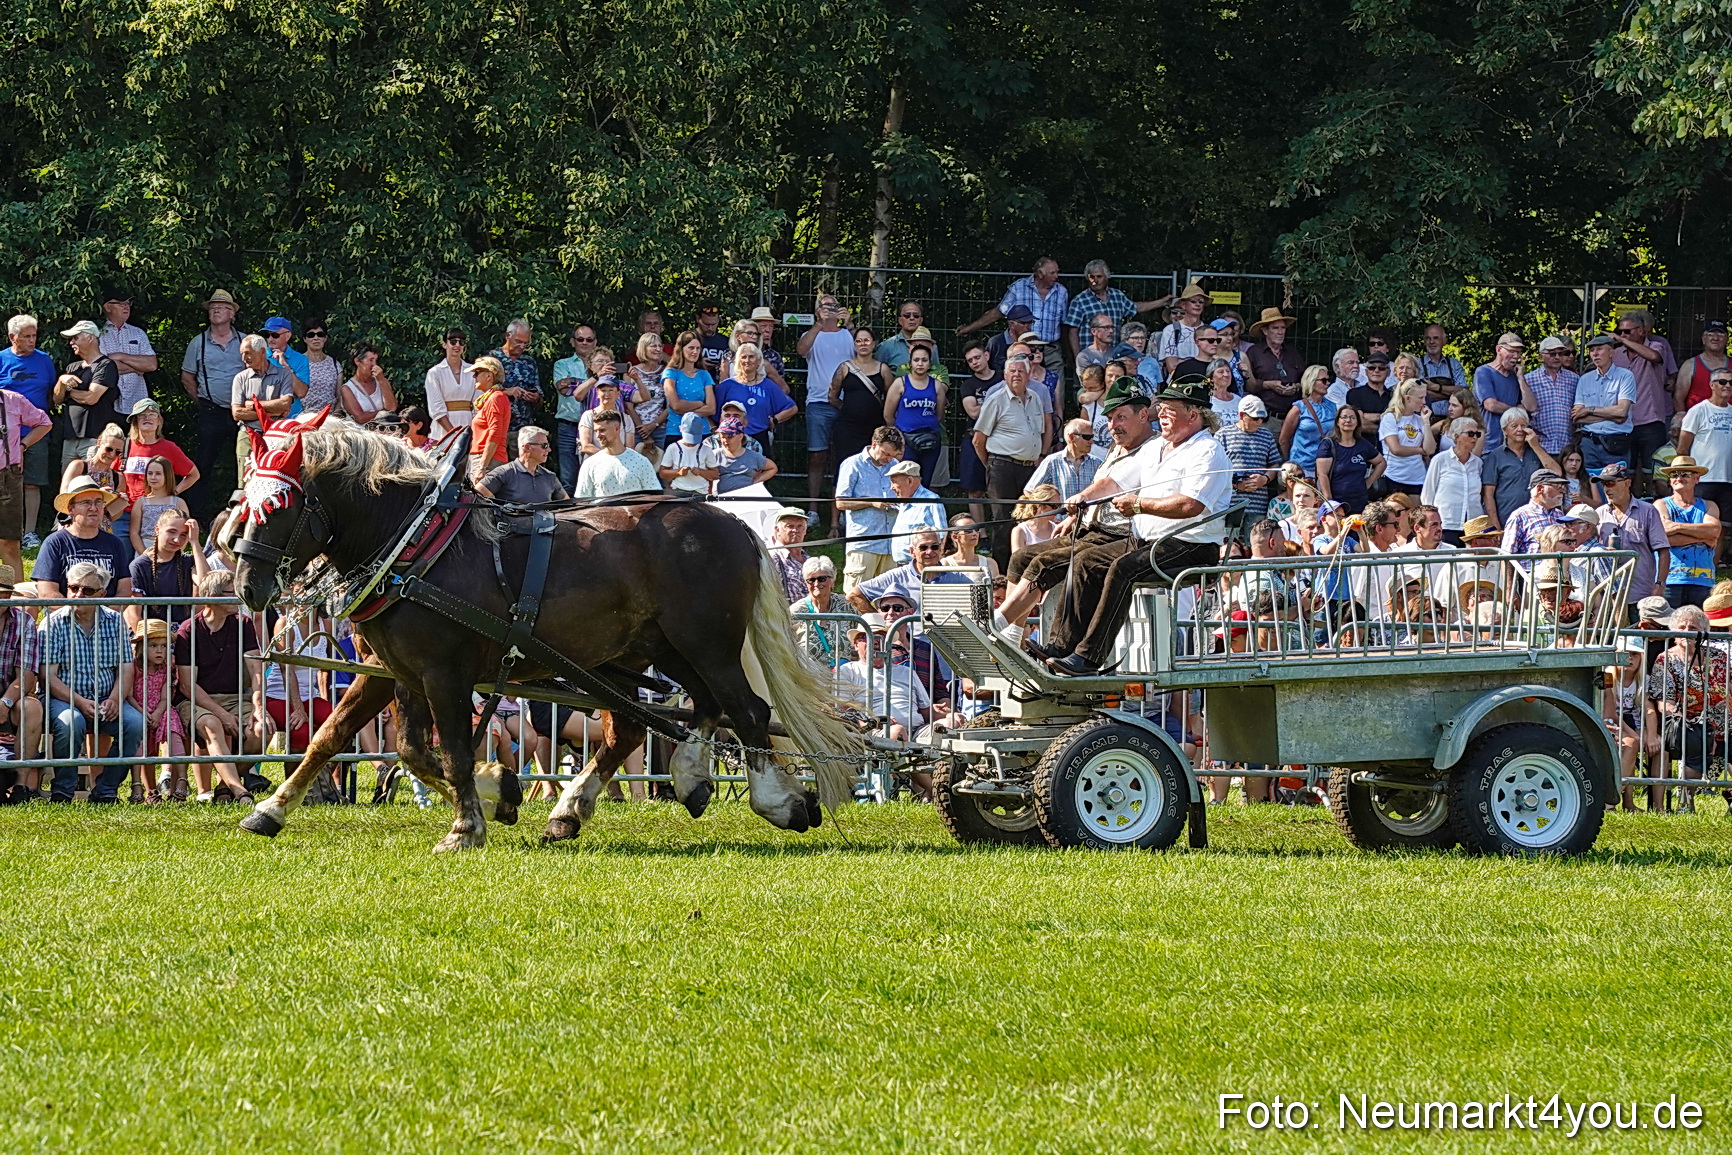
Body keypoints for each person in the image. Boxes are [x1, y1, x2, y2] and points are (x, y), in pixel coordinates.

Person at [1046, 377, 1233, 676]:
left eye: (1169, 409)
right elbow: (1115, 481)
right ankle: (1060, 647)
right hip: (1147, 542)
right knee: (1086, 561)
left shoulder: (1207, 451)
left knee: (1124, 568)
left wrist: (1139, 505)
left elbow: (1190, 506)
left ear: (1193, 415)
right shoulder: (1156, 446)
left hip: (1191, 545)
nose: (1161, 414)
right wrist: (1084, 497)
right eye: (1162, 407)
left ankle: (1088, 659)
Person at [41, 562, 142, 803]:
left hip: (106, 698)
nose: (78, 595)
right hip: (63, 699)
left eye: (87, 591)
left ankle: (106, 790)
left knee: (135, 724)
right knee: (71, 721)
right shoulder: (52, 623)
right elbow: (47, 676)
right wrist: (79, 701)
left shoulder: (115, 621)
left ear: (102, 594)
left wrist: (115, 698)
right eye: (73, 588)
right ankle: (63, 791)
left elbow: (126, 667)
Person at [175, 568, 265, 803]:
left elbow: (256, 669)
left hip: (236, 697)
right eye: (231, 592)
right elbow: (187, 686)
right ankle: (240, 792)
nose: (238, 597)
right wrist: (223, 714)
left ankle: (224, 787)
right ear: (212, 597)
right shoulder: (188, 629)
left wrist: (258, 707)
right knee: (213, 724)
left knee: (261, 729)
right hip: (196, 700)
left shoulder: (243, 623)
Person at [973, 352, 1051, 572]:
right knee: (1002, 522)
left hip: (1029, 469)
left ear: (1029, 374)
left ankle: (1025, 569)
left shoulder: (1035, 398)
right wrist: (992, 465)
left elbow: (1040, 431)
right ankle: (1002, 574)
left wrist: (1039, 455)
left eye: (1021, 371)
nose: (1016, 375)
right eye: (1012, 371)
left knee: (1028, 518)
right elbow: (978, 440)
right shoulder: (996, 399)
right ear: (1005, 375)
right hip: (1002, 467)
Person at [179, 290, 247, 518]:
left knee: (245, 463)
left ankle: (245, 513)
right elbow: (187, 377)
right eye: (212, 307)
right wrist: (202, 401)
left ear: (232, 313)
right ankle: (196, 516)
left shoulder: (245, 341)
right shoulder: (198, 343)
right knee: (203, 465)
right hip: (211, 411)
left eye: (221, 307)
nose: (215, 310)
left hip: (242, 413)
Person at [957, 256, 1069, 376]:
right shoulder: (1019, 287)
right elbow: (999, 311)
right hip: (1023, 348)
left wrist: (1068, 352)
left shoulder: (1061, 292)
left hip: (1050, 349)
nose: (1056, 276)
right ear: (1040, 274)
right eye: (1053, 273)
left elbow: (1064, 324)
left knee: (1056, 384)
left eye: (1057, 272)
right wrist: (969, 328)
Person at [3, 314, 59, 545]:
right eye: (26, 336)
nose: (32, 340)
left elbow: (52, 393)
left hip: (36, 431)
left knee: (32, 482)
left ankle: (30, 532)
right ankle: (6, 532)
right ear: (12, 337)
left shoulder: (44, 360)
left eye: (34, 335)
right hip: (4, 434)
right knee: (3, 481)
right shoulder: (2, 359)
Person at [1612, 309, 1678, 494]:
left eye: (1627, 331)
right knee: (1627, 473)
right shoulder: (1616, 354)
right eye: (1620, 332)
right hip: (1624, 421)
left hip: (1650, 420)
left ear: (1641, 331)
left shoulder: (1657, 346)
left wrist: (1623, 341)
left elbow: (1654, 357)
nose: (1622, 335)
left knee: (1652, 474)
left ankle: (1653, 506)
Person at [33, 477, 133, 597]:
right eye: (86, 503)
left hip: (106, 609)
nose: (94, 508)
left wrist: (106, 609)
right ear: (71, 509)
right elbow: (47, 592)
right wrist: (72, 608)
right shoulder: (55, 543)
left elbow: (125, 590)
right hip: (66, 608)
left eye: (98, 502)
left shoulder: (115, 543)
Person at [1594, 461, 1669, 617]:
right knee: (1608, 634)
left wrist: (1660, 585)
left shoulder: (1648, 511)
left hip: (1641, 594)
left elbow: (1663, 550)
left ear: (1627, 483)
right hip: (1608, 595)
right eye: (1603, 484)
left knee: (1642, 633)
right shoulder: (1598, 514)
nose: (1606, 489)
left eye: (1611, 483)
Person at [835, 426, 904, 592]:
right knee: (856, 596)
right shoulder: (853, 464)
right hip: (863, 542)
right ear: (874, 444)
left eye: (893, 455)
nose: (889, 459)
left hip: (891, 543)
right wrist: (871, 502)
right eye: (886, 453)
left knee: (889, 598)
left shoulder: (895, 465)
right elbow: (841, 503)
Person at [1675, 366, 1732, 564]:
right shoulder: (1698, 411)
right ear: (1712, 385)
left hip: (1728, 479)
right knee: (1697, 523)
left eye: (1731, 382)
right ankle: (1691, 564)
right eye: (1722, 382)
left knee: (1721, 527)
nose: (1727, 386)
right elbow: (1682, 448)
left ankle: (1711, 568)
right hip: (1703, 478)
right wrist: (1689, 476)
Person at [130, 618, 188, 804]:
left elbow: (165, 697)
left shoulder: (166, 669)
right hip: (139, 709)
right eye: (153, 646)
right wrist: (142, 712)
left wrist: (157, 713)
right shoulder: (133, 668)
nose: (160, 651)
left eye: (164, 646)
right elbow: (129, 695)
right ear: (141, 647)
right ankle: (143, 788)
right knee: (142, 746)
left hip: (161, 710)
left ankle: (182, 780)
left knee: (174, 733)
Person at [0, 374, 51, 579]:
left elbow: (44, 423)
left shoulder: (13, 400)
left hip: (7, 479)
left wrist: (22, 446)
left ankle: (13, 597)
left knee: (9, 544)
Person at [229, 334, 302, 475]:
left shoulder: (284, 374)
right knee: (245, 481)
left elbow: (285, 404)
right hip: (248, 436)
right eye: (242, 353)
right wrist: (274, 411)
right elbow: (237, 413)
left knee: (276, 477)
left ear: (262, 352)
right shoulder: (240, 378)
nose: (243, 358)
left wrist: (253, 405)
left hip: (276, 436)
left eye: (248, 353)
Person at [1653, 456, 1719, 608]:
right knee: (1669, 622)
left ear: (1697, 478)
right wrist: (1703, 537)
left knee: (1699, 623)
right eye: (1674, 474)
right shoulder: (1660, 504)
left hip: (1703, 581)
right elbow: (1662, 537)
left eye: (1685, 474)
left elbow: (1714, 530)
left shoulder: (1709, 505)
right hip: (1669, 580)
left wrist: (1675, 527)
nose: (1679, 478)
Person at [1572, 333, 1639, 483]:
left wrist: (1589, 410)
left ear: (1611, 352)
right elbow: (1577, 417)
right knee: (1588, 485)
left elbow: (1622, 412)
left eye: (1599, 349)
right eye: (1592, 350)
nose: (1595, 354)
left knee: (1616, 485)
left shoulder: (1625, 376)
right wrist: (1612, 414)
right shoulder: (1584, 380)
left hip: (1616, 443)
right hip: (1589, 443)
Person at [1479, 408, 1561, 528]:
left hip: (1535, 520)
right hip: (1506, 520)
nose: (1520, 430)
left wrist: (1535, 445)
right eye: (1514, 426)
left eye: (1523, 426)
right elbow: (1488, 495)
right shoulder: (1495, 456)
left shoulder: (1536, 452)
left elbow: (1557, 473)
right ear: (1505, 431)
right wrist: (1496, 526)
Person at [57, 320, 122, 468]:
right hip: (70, 438)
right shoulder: (72, 367)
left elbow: (91, 398)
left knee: (92, 479)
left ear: (91, 337)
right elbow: (57, 399)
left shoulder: (106, 365)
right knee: (68, 481)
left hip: (94, 439)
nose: (71, 342)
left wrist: (68, 392)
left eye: (76, 338)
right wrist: (61, 381)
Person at [954, 341, 1000, 522]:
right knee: (974, 490)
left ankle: (1002, 531)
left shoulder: (1003, 378)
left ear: (986, 356)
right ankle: (980, 533)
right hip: (974, 439)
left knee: (1001, 489)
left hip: (1002, 438)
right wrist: (997, 402)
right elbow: (972, 412)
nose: (974, 362)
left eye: (977, 357)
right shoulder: (968, 385)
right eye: (970, 360)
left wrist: (984, 405)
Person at [1421, 417, 1486, 543]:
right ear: (1457, 437)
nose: (1475, 438)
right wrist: (1431, 522)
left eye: (1477, 434)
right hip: (1446, 524)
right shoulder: (1440, 460)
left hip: (1474, 526)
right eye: (1470, 434)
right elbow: (1427, 495)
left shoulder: (1478, 463)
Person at [1472, 333, 1537, 454]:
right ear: (1498, 350)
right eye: (1512, 351)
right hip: (1489, 444)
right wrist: (1517, 411)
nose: (1516, 356)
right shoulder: (1483, 372)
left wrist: (1520, 378)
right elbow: (1491, 405)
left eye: (1518, 352)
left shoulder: (1516, 376)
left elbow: (1532, 407)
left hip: (1514, 446)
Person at [573, 410, 661, 499]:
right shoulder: (590, 464)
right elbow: (582, 500)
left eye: (602, 430)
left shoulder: (641, 461)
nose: (598, 436)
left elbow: (655, 497)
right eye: (596, 431)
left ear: (617, 429)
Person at [98, 289, 158, 417]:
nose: (126, 307)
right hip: (108, 402)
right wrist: (138, 368)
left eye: (128, 303)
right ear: (108, 307)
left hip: (136, 403)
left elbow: (152, 365)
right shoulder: (98, 333)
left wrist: (120, 356)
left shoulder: (138, 333)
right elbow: (102, 367)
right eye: (121, 303)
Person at [1316, 405, 1385, 516]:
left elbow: (1381, 462)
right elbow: (1322, 474)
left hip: (1359, 503)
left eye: (1352, 417)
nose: (1348, 420)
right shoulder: (1328, 445)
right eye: (1344, 417)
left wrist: (1368, 482)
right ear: (1337, 422)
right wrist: (1329, 502)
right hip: (1337, 504)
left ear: (1357, 423)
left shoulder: (1363, 445)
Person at [477, 426, 568, 504]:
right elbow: (477, 494)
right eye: (544, 445)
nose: (549, 450)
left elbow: (568, 506)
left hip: (545, 520)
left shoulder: (550, 477)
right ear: (527, 447)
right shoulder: (503, 473)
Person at [1377, 378, 1435, 497]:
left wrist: (1426, 422)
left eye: (1425, 397)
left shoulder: (1419, 420)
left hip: (1417, 477)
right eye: (1420, 398)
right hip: (1394, 476)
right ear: (1407, 398)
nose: (1424, 402)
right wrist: (1420, 450)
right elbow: (1396, 449)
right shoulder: (1390, 418)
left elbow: (1430, 450)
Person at [1245, 307, 1306, 420]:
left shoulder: (1292, 352)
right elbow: (1248, 384)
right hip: (1266, 417)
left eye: (1283, 328)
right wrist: (1268, 385)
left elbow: (1306, 379)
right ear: (1265, 331)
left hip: (1294, 416)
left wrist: (1296, 387)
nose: (1280, 332)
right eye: (1275, 328)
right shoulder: (1254, 352)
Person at [792, 556, 853, 667]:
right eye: (811, 580)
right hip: (810, 673)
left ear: (832, 582)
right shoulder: (796, 611)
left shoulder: (846, 606)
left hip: (844, 673)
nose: (816, 584)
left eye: (822, 579)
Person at [128, 457, 192, 560]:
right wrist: (144, 554)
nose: (153, 477)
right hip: (147, 547)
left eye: (158, 474)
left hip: (173, 547)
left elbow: (186, 532)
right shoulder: (141, 503)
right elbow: (134, 533)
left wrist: (177, 551)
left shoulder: (179, 503)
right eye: (150, 473)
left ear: (167, 476)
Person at [487, 319, 543, 434]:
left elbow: (540, 400)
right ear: (507, 336)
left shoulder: (529, 362)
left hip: (524, 430)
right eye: (518, 341)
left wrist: (535, 398)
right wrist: (506, 392)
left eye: (526, 343)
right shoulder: (492, 359)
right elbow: (481, 393)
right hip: (497, 426)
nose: (522, 346)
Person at [1524, 336, 1578, 455]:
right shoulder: (1529, 380)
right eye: (1552, 354)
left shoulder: (1574, 379)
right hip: (1540, 447)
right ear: (1540, 357)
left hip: (1567, 447)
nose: (1557, 357)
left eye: (1560, 353)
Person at [1499, 469, 1570, 560]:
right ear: (1540, 489)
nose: (1563, 491)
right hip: (1531, 569)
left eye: (1563, 487)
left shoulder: (1559, 515)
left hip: (1559, 568)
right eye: (1558, 487)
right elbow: (1507, 555)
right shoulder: (1519, 516)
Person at [1278, 366, 1336, 476]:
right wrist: (1290, 462)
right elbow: (1283, 440)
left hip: (1326, 466)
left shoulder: (1332, 407)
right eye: (1324, 380)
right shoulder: (1299, 408)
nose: (1328, 383)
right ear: (1311, 381)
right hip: (1301, 467)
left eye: (1329, 380)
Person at [1029, 419, 1104, 503]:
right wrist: (1047, 508)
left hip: (1088, 512)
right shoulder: (1052, 462)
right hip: (1061, 511)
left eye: (1092, 437)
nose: (1091, 441)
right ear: (1071, 437)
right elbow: (1030, 491)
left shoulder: (1097, 463)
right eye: (1087, 437)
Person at [885, 459, 944, 563]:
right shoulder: (904, 502)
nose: (891, 488)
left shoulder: (930, 501)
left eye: (894, 482)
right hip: (901, 565)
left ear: (910, 481)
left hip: (921, 566)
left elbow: (942, 535)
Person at [424, 328, 476, 438]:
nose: (457, 345)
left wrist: (472, 432)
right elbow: (436, 409)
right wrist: (454, 434)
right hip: (442, 429)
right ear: (444, 344)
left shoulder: (473, 371)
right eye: (453, 342)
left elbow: (478, 404)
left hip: (469, 426)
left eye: (461, 342)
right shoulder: (435, 373)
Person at [626, 332, 669, 459]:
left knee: (660, 467)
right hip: (637, 428)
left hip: (660, 428)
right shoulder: (631, 372)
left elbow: (671, 404)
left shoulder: (667, 372)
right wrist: (643, 431)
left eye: (660, 346)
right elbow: (628, 406)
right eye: (653, 346)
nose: (658, 349)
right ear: (643, 348)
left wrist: (654, 425)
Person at [467, 356, 512, 478]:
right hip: (486, 459)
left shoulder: (496, 398)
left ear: (489, 376)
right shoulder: (490, 398)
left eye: (477, 372)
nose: (474, 376)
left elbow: (495, 433)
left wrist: (482, 467)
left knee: (481, 491)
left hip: (489, 461)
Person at [1152, 281, 1209, 375]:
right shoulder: (1170, 330)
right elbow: (1172, 367)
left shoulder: (1209, 331)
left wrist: (1182, 362)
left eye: (1201, 301)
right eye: (1193, 301)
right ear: (1183, 305)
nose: (1198, 304)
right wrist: (1200, 363)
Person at [657, 412, 720, 494]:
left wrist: (701, 472)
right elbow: (662, 473)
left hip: (701, 491)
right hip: (678, 490)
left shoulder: (706, 449)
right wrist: (678, 472)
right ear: (680, 428)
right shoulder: (673, 448)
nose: (691, 443)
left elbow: (715, 474)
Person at [577, 372, 637, 456]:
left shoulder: (626, 419)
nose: (607, 394)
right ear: (597, 393)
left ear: (618, 393)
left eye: (611, 390)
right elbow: (586, 446)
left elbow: (630, 448)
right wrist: (608, 458)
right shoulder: (588, 416)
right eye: (603, 390)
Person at [1675, 319, 1729, 411]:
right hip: (1699, 418)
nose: (1715, 338)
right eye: (1710, 334)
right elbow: (1678, 399)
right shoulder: (1690, 365)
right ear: (1704, 339)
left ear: (1726, 339)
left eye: (1720, 334)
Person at [338, 342, 396, 426]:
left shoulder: (382, 381)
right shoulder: (347, 388)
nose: (374, 364)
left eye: (376, 360)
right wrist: (383, 413)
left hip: (383, 431)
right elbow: (360, 418)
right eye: (370, 360)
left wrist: (381, 380)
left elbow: (392, 408)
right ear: (357, 361)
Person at [767, 507, 811, 604]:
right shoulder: (771, 558)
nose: (795, 530)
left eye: (800, 526)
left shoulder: (809, 560)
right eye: (790, 526)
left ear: (805, 530)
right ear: (777, 530)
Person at [943, 512, 999, 581]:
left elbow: (996, 587)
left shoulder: (989, 563)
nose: (974, 533)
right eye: (968, 530)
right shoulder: (946, 564)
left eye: (976, 529)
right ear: (955, 537)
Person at [1009, 485, 1062, 553]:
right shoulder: (1020, 531)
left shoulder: (1057, 529)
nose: (1057, 509)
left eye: (1059, 505)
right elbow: (1017, 558)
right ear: (1040, 505)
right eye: (1054, 505)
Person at [693, 302, 731, 376]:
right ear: (698, 319)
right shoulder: (688, 338)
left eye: (713, 324)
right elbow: (675, 361)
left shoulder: (726, 341)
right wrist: (697, 363)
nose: (710, 328)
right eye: (706, 324)